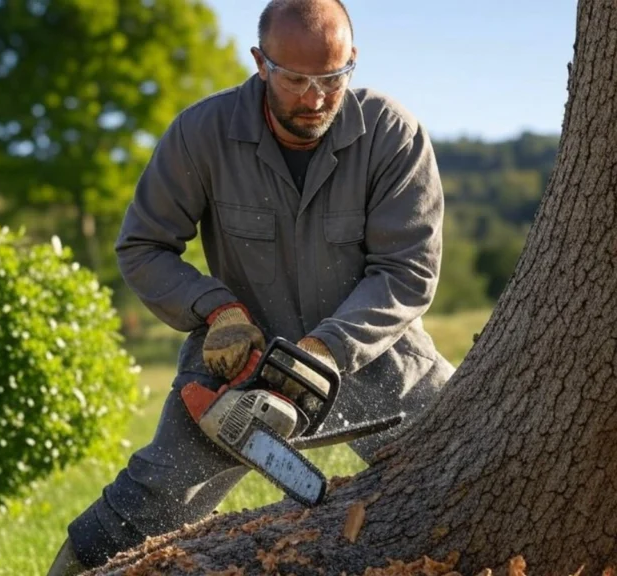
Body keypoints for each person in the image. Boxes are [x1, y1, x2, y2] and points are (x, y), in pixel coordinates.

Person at [47, 0, 455, 573]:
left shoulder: (392, 135)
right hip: (240, 362)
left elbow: (407, 271)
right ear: (261, 63)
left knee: (471, 456)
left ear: (353, 61)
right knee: (143, 507)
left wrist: (325, 350)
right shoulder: (201, 134)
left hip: (374, 356)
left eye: (332, 78)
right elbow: (143, 247)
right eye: (295, 79)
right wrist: (215, 309)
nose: (314, 97)